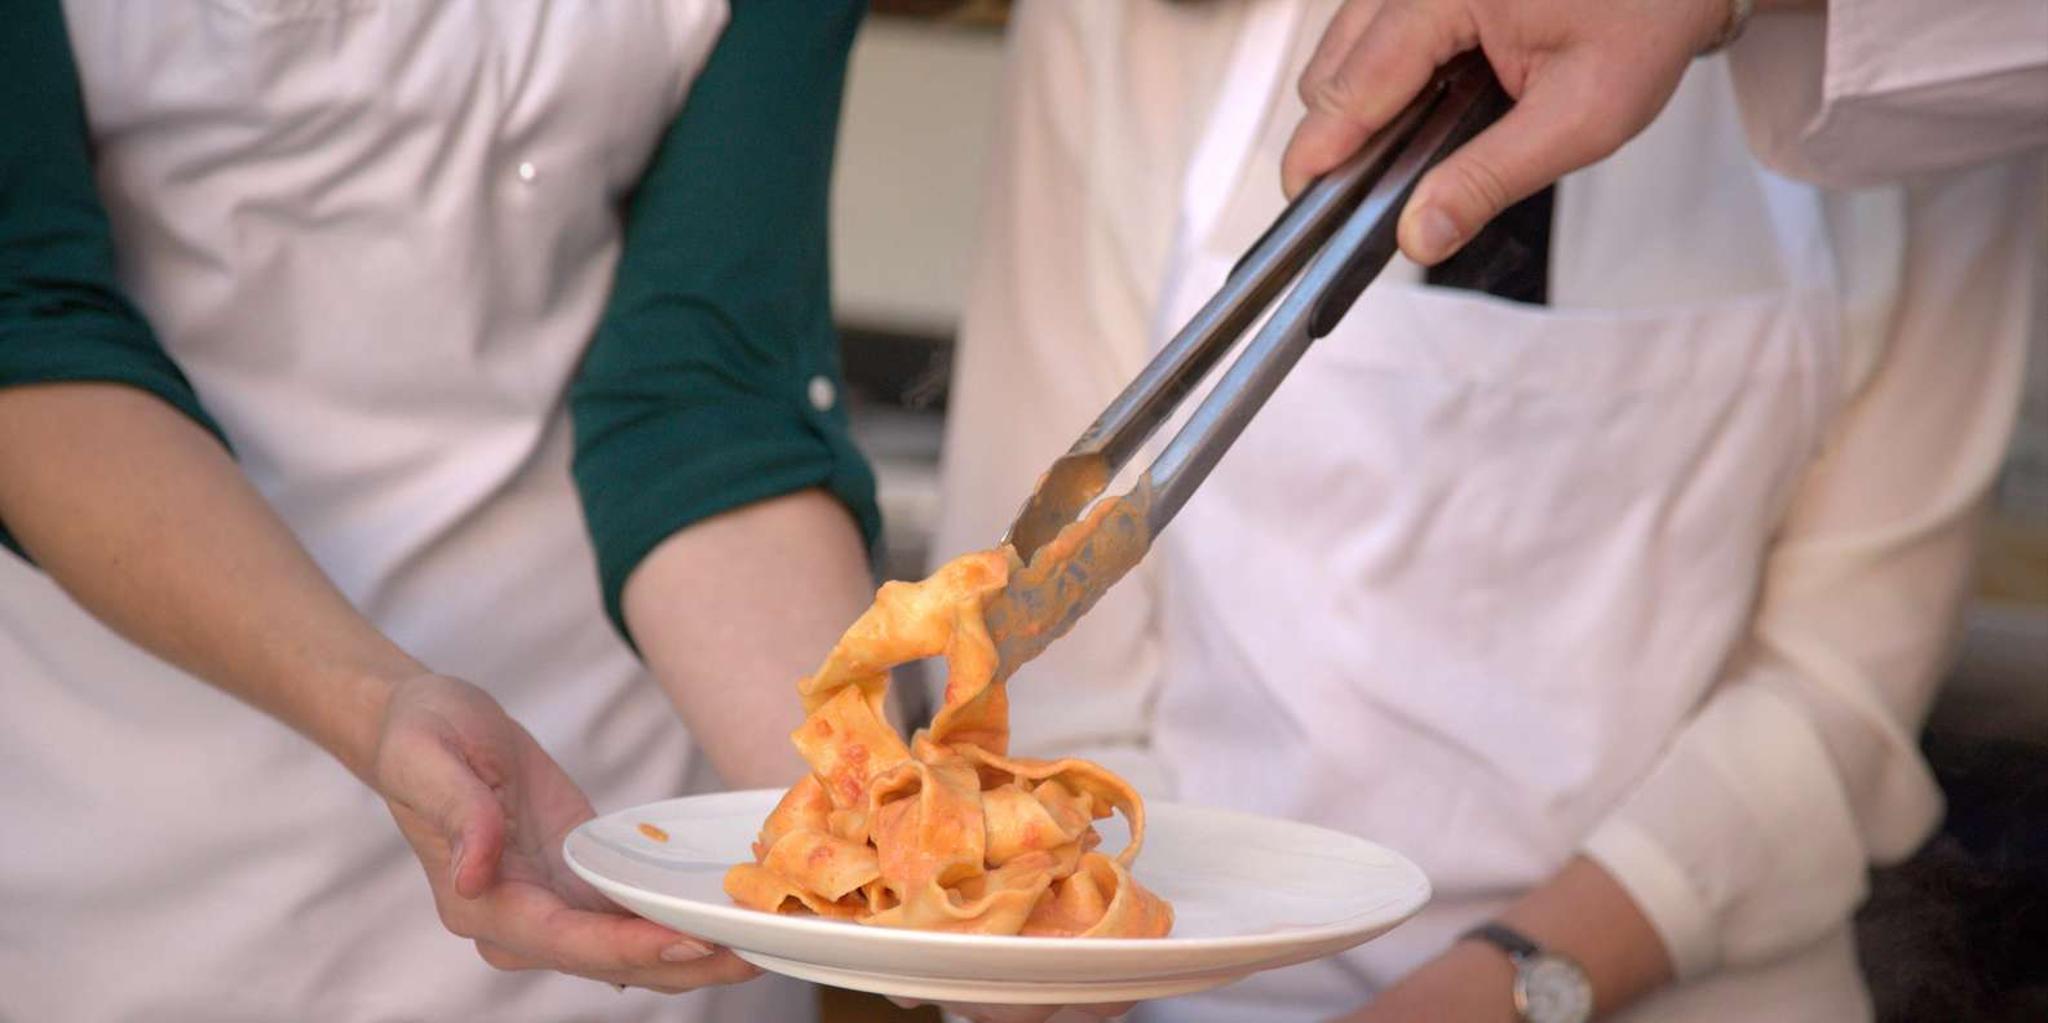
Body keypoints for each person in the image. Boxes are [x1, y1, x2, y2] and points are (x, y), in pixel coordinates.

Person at [931, 0, 2044, 1020]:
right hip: (1185, 985)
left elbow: (1834, 700)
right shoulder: (1128, 23)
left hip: (1674, 985)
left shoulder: (1919, 55)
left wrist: (1496, 991)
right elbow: (1028, 652)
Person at [0, 1, 877, 1019]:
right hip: (136, 843)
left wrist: (875, 833)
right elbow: (25, 331)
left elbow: (708, 398)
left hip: (614, 837)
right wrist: (377, 709)